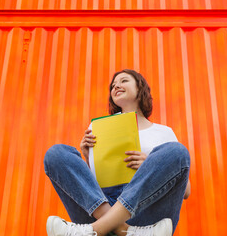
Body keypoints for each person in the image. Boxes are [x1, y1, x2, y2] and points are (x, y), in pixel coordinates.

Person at [44, 69, 191, 236]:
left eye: (123, 81)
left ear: (140, 87)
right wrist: (87, 157)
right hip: (101, 208)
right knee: (56, 154)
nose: (116, 86)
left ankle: (95, 231)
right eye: (113, 85)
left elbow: (185, 191)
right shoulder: (98, 129)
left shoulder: (163, 132)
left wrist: (149, 164)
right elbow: (91, 188)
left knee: (177, 151)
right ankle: (123, 230)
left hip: (145, 216)